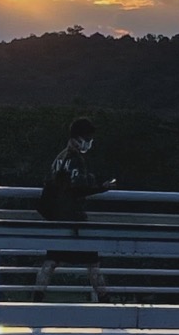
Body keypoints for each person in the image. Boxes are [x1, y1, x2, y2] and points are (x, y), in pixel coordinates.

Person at [32, 116, 116, 302]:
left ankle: (36, 300)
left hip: (57, 218)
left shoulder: (59, 158)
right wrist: (102, 187)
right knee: (93, 263)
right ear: (79, 138)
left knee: (51, 262)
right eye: (87, 138)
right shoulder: (76, 160)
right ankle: (106, 302)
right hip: (75, 220)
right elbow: (77, 189)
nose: (89, 143)